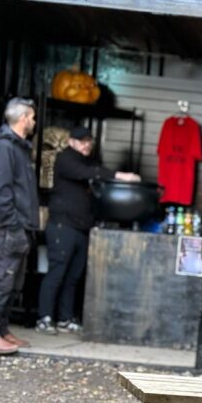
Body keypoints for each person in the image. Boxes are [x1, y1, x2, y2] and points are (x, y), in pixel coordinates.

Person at [36, 126, 139, 334]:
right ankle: (44, 318)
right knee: (57, 273)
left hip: (81, 228)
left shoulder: (87, 161)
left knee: (73, 276)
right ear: (71, 142)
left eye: (89, 141)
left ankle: (65, 318)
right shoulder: (66, 159)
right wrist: (120, 175)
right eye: (82, 141)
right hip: (62, 226)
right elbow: (86, 173)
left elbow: (94, 171)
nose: (86, 145)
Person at [0, 98, 40, 355]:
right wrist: (12, 223)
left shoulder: (19, 147)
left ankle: (2, 329)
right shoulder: (4, 147)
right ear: (24, 118)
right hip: (9, 227)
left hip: (21, 225)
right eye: (33, 117)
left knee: (14, 281)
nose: (35, 122)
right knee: (2, 279)